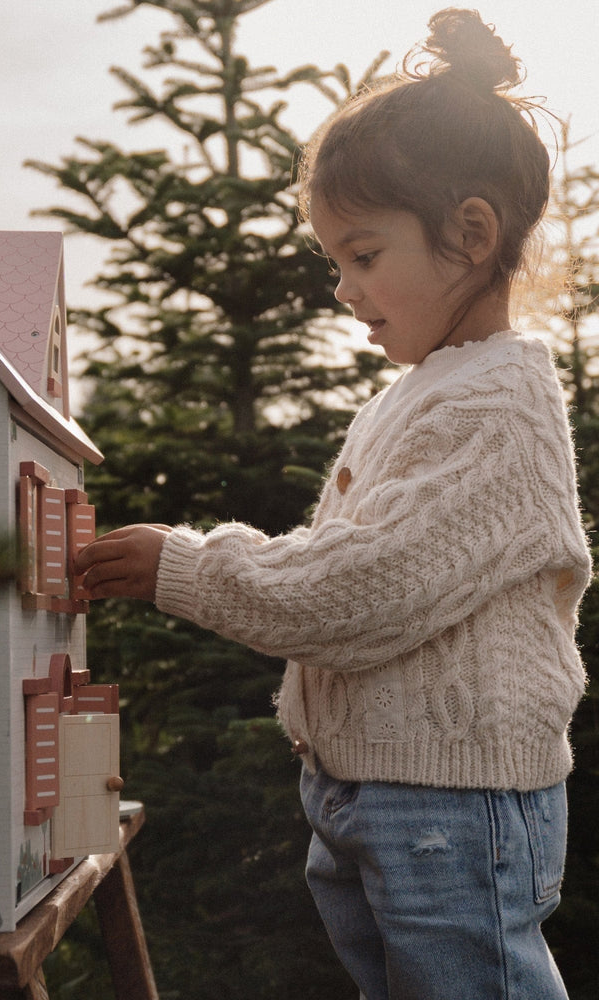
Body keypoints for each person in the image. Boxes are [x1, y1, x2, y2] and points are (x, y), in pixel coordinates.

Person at [74, 8, 592, 1000]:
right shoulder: (417, 395)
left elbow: (363, 588)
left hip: (451, 800)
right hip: (368, 788)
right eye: (332, 263)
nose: (344, 290)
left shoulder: (497, 407)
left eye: (361, 255)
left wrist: (184, 566)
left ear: (471, 235)